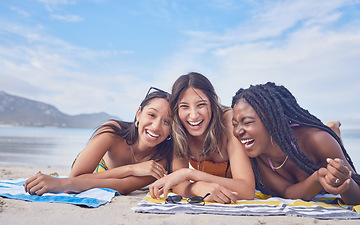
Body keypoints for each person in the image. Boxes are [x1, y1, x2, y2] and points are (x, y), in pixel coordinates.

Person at [24, 88, 173, 195]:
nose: (156, 126)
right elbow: (74, 178)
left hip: (92, 178)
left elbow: (124, 186)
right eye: (151, 115)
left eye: (166, 122)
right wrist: (132, 169)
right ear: (139, 114)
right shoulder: (113, 132)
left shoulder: (162, 157)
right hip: (92, 166)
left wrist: (68, 183)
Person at [231, 82, 360, 204]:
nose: (237, 131)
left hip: (322, 140)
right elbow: (286, 191)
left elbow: (357, 194)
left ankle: (333, 129)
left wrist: (345, 183)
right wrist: (317, 178)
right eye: (234, 124)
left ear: (271, 121)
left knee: (332, 141)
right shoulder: (257, 153)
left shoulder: (318, 140)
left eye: (247, 122)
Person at [149, 72, 255, 203]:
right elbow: (176, 183)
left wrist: (189, 174)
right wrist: (197, 188)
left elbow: (247, 190)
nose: (193, 116)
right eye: (184, 106)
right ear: (177, 109)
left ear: (212, 103)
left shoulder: (229, 122)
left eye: (201, 105)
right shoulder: (179, 129)